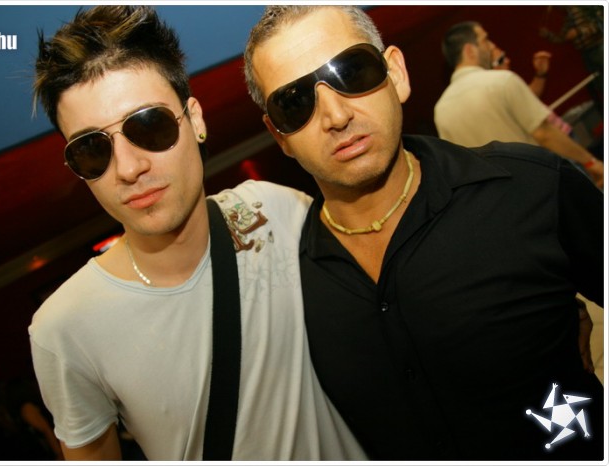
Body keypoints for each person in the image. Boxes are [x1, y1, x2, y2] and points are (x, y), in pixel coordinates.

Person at [243, 5, 604, 460]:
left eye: (351, 71)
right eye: (295, 102)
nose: (335, 115)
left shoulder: (531, 188)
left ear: (396, 73)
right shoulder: (289, 287)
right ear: (279, 135)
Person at [28, 5, 366, 461]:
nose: (128, 168)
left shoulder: (275, 211)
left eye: (149, 125)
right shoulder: (65, 328)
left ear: (196, 119)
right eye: (91, 149)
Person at [434, 21, 603, 188]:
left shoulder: (441, 110)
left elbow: (461, 167)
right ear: (470, 50)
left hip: (501, 198)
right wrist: (591, 162)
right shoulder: (502, 81)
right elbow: (544, 133)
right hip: (540, 184)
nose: (491, 46)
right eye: (485, 40)